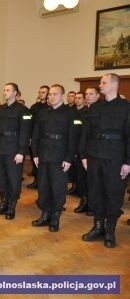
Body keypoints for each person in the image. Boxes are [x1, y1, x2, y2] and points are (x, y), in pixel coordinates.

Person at [79, 73, 130, 248]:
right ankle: (98, 226)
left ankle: (110, 230)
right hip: (94, 155)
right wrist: (84, 155)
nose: (100, 85)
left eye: (103, 82)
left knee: (113, 193)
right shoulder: (94, 107)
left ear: (114, 85)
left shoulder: (126, 107)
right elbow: (85, 133)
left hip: (115, 157)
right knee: (95, 191)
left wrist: (128, 162)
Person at [31, 84, 78, 232]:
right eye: (50, 94)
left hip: (60, 156)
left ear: (62, 96)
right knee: (44, 186)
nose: (51, 97)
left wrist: (69, 158)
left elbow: (73, 138)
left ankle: (55, 216)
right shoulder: (43, 113)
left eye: (55, 94)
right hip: (44, 154)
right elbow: (36, 135)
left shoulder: (70, 114)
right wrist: (36, 154)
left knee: (57, 187)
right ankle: (45, 214)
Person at [0, 83, 32, 220]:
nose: (5, 92)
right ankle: (3, 203)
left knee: (13, 179)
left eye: (8, 90)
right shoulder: (0, 109)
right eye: (4, 90)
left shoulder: (23, 110)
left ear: (15, 93)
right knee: (1, 178)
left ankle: (12, 205)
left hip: (14, 150)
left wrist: (21, 151)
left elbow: (25, 133)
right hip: (0, 148)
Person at [27, 85, 50, 189]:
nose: (41, 94)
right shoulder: (34, 107)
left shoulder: (50, 107)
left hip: (45, 138)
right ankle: (36, 180)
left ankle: (43, 182)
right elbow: (30, 123)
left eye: (43, 92)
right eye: (40, 92)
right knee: (34, 159)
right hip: (35, 137)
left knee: (44, 161)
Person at [71, 92, 89, 213]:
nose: (77, 100)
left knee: (85, 178)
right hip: (73, 148)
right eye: (75, 98)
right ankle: (82, 197)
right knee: (77, 176)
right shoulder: (70, 112)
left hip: (83, 150)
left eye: (79, 98)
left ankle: (87, 201)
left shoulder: (87, 113)